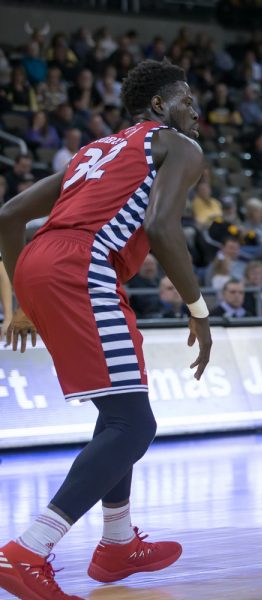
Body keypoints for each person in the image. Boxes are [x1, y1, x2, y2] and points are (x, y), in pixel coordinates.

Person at [0, 59, 212, 600]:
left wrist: (21, 299)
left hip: (44, 261)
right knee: (134, 425)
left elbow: (9, 217)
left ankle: (117, 544)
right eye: (188, 99)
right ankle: (27, 550)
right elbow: (160, 226)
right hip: (83, 266)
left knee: (119, 412)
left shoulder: (93, 151)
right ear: (160, 106)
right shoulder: (177, 145)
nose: (197, 109)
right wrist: (198, 307)